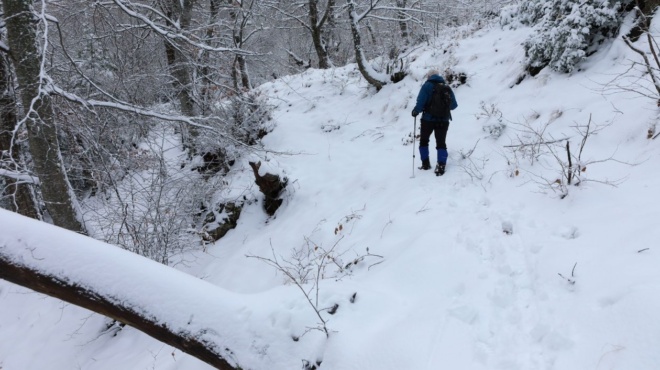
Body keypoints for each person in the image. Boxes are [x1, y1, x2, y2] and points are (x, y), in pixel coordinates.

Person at [411, 70, 458, 175]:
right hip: (443, 120)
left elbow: (420, 102)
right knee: (441, 143)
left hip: (428, 119)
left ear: (429, 76)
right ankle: (441, 166)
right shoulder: (446, 87)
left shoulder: (427, 86)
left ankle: (425, 164)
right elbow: (454, 106)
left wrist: (415, 111)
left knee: (424, 141)